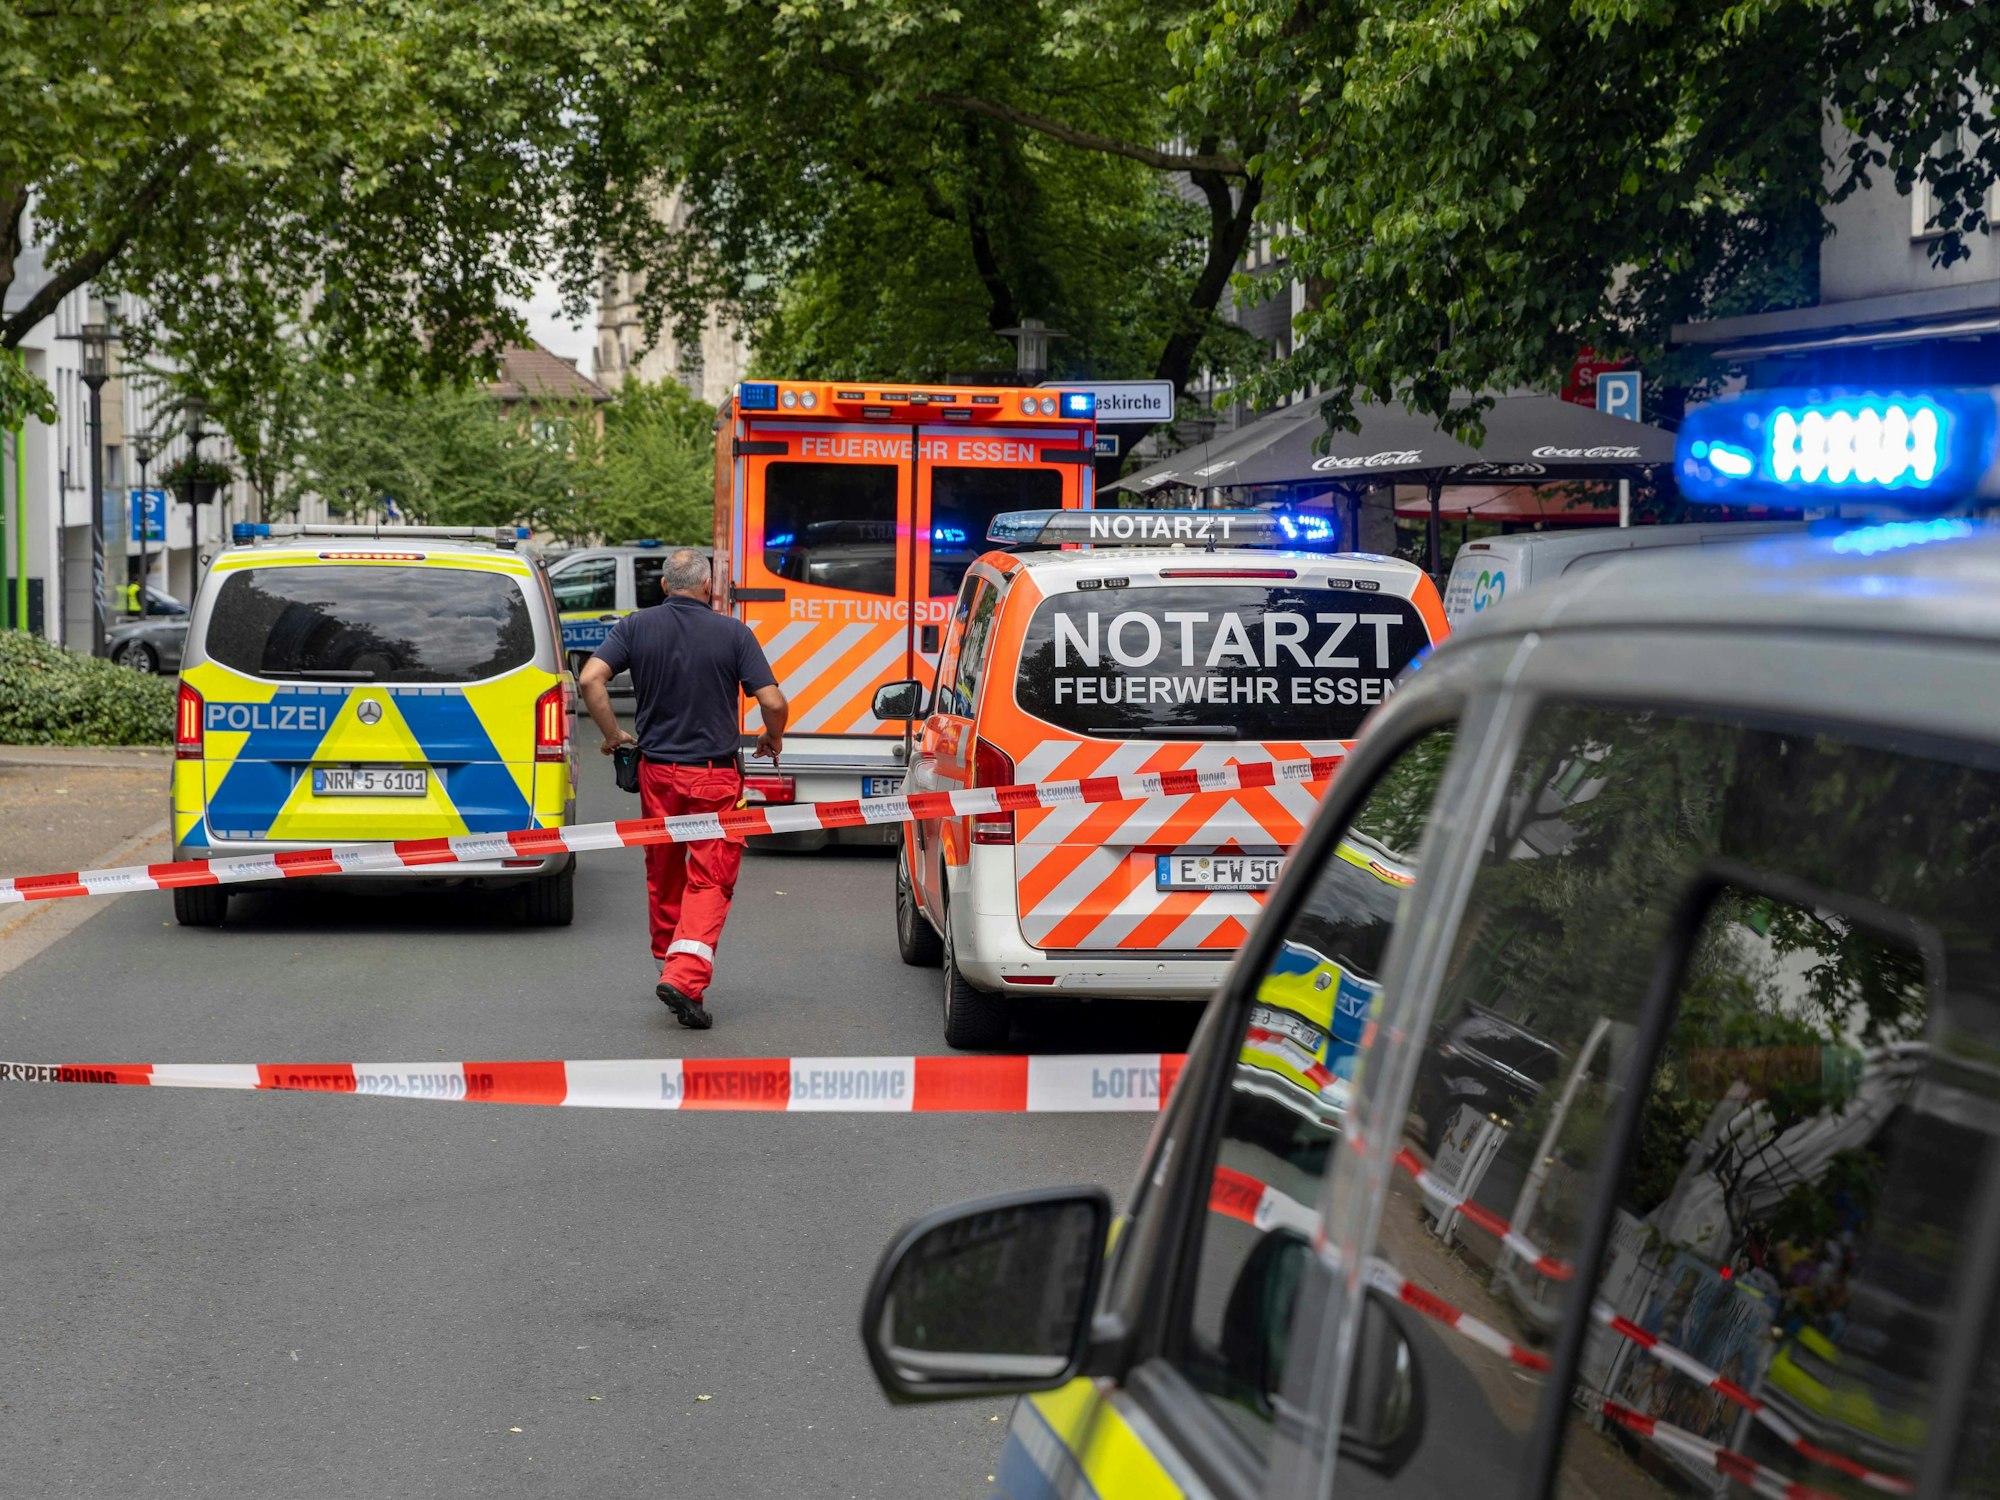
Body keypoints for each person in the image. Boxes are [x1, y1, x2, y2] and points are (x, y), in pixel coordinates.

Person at [577, 548, 788, 1030]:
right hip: (714, 776)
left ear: (665, 587)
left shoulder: (634, 627)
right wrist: (772, 735)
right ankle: (685, 976)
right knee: (711, 877)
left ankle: (666, 963)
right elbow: (773, 701)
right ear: (709, 588)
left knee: (664, 869)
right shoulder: (734, 633)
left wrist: (613, 736)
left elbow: (591, 679)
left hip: (657, 774)